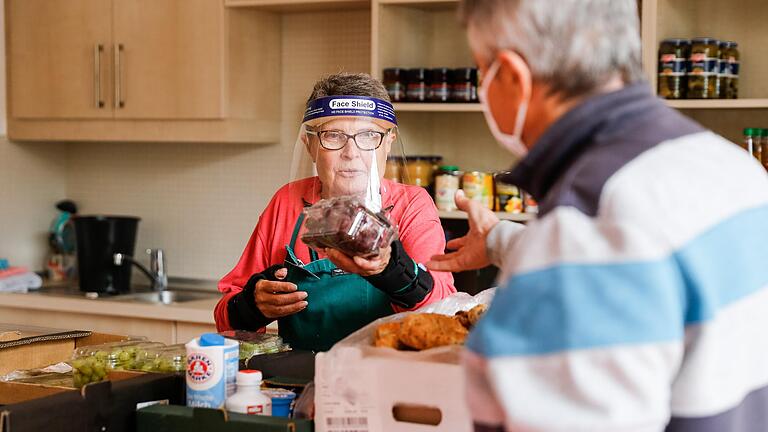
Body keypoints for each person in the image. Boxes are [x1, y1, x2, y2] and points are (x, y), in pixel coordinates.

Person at [427, 1, 768, 430]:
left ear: (513, 76)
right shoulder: (730, 164)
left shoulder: (588, 218)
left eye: (482, 71)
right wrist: (500, 240)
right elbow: (647, 274)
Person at [216, 72, 455, 351]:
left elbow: (442, 310)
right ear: (310, 145)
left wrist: (392, 270)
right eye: (333, 135)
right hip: (301, 381)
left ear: (388, 143)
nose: (351, 152)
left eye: (368, 136)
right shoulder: (286, 201)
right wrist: (252, 305)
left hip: (388, 379)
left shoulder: (413, 206)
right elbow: (225, 320)